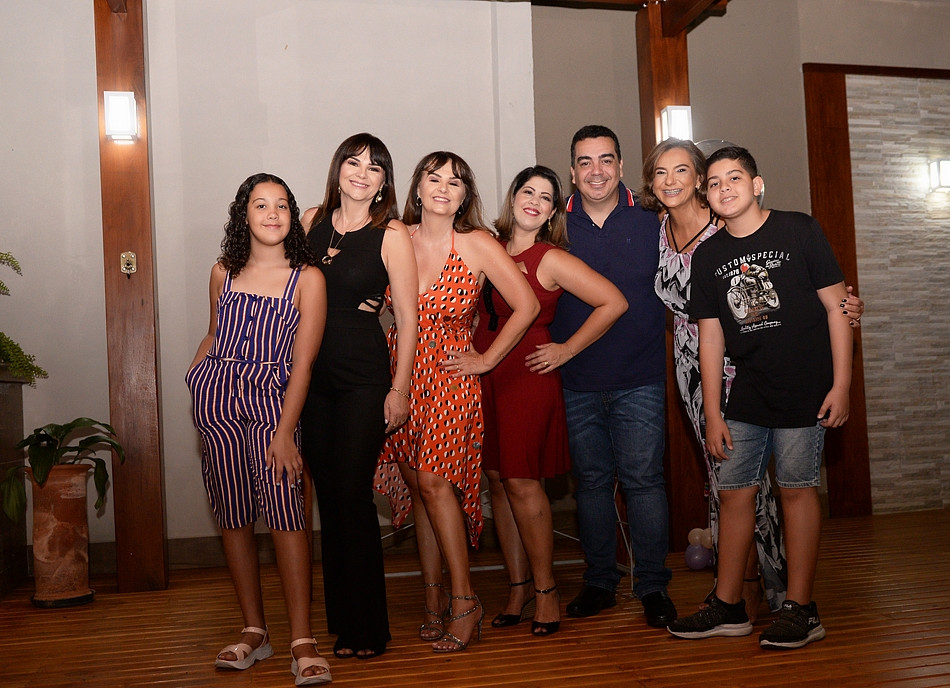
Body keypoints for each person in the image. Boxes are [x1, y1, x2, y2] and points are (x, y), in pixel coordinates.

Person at [643, 138, 867, 621]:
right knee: (733, 490)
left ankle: (796, 603)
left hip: (796, 381)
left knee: (794, 489)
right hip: (732, 385)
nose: (724, 188)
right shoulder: (697, 249)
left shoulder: (796, 229)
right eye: (716, 183)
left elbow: (836, 305)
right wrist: (712, 411)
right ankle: (729, 603)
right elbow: (709, 335)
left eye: (734, 179)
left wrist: (842, 383)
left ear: (756, 184)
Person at [376, 151, 538, 653]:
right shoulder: (395, 236)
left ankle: (466, 601)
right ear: (417, 188)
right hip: (401, 374)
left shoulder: (477, 243)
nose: (444, 188)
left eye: (455, 181)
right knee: (419, 489)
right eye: (434, 178)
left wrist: (486, 360)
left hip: (450, 377)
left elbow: (527, 304)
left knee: (434, 482)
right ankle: (433, 597)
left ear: (466, 195)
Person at [186, 173, 331, 685]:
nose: (272, 213)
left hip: (275, 404)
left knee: (287, 515)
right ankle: (254, 630)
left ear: (292, 215)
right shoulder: (222, 273)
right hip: (218, 402)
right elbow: (213, 333)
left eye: (282, 205)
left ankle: (301, 640)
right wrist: (196, 379)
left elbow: (304, 364)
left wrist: (286, 432)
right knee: (232, 515)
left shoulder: (308, 278)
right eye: (261, 204)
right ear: (243, 214)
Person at [474, 165, 627, 637]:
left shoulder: (551, 258)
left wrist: (566, 349)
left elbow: (613, 302)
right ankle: (518, 587)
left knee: (522, 481)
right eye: (528, 191)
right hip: (484, 371)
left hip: (527, 374)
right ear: (512, 198)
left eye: (545, 196)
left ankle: (546, 590)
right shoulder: (488, 245)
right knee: (497, 481)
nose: (534, 201)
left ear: (553, 211)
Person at [549, 125, 677, 628]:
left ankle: (652, 586)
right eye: (585, 162)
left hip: (640, 375)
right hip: (575, 377)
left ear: (621, 166)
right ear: (572, 171)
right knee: (592, 485)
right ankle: (600, 581)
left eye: (606, 160)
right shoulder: (553, 223)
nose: (596, 171)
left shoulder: (654, 219)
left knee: (644, 482)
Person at [299, 134, 417, 660]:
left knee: (352, 493)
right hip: (310, 375)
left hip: (364, 376)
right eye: (353, 162)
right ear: (338, 168)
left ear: (384, 182)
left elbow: (408, 319)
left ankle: (368, 628)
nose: (361, 173)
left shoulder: (390, 233)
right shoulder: (310, 221)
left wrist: (399, 388)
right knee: (329, 496)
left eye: (374, 168)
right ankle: (342, 620)